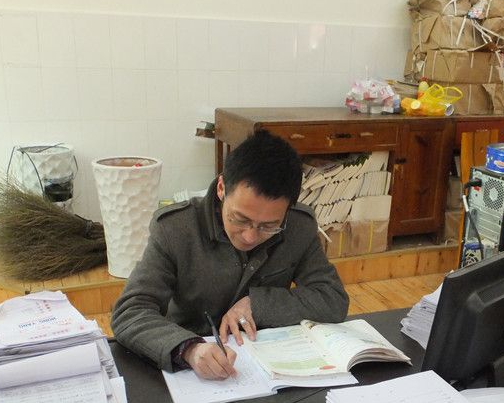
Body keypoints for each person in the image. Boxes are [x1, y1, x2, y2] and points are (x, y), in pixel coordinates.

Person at [111, 130, 349, 381]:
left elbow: (332, 298)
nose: (250, 236)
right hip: (189, 369)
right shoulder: (176, 229)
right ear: (222, 188)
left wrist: (257, 304)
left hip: (269, 364)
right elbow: (130, 312)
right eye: (240, 219)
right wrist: (189, 348)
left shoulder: (299, 227)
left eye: (269, 226)